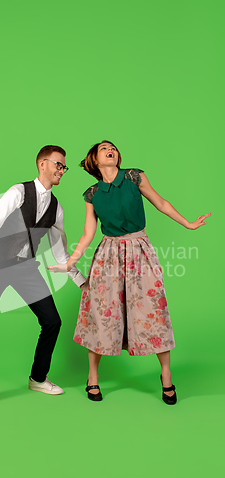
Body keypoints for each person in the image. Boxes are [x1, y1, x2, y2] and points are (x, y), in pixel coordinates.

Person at [47, 140, 211, 405]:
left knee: (153, 308)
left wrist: (188, 224)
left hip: (139, 249)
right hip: (107, 254)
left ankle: (166, 377)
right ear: (94, 161)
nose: (111, 150)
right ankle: (93, 377)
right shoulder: (92, 194)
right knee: (101, 311)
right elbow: (88, 233)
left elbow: (160, 203)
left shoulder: (134, 177)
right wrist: (70, 263)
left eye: (113, 148)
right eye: (104, 149)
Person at [0, 145, 85, 416]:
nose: (62, 170)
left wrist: (81, 282)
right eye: (58, 165)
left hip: (25, 267)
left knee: (52, 321)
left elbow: (60, 251)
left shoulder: (56, 208)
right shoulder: (18, 192)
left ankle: (37, 379)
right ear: (42, 164)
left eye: (64, 167)